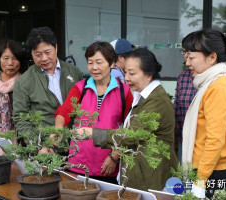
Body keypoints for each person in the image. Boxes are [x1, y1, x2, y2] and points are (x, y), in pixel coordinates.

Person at [76, 48, 178, 191]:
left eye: (132, 73)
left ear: (149, 75)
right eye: (125, 72)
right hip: (140, 173)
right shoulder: (142, 95)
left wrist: (93, 133)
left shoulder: (156, 101)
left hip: (151, 176)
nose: (127, 77)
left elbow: (131, 135)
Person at [54, 41, 133, 183]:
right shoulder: (80, 88)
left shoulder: (124, 92)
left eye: (99, 62)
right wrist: (59, 128)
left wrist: (115, 157)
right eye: (90, 62)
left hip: (108, 165)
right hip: (78, 163)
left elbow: (130, 128)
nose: (94, 67)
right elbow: (64, 112)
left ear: (112, 63)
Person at [181, 29, 226, 199]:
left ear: (212, 57)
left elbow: (215, 139)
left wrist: (200, 181)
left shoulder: (218, 87)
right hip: (206, 170)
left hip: (212, 172)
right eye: (186, 58)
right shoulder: (209, 82)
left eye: (191, 58)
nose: (187, 63)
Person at [174, 49, 226, 171]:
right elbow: (177, 112)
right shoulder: (184, 77)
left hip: (212, 162)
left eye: (191, 56)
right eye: (184, 53)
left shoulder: (220, 83)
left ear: (211, 57)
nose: (187, 60)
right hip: (189, 147)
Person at [13, 26, 83, 134]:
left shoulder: (74, 72)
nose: (44, 58)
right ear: (31, 53)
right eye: (38, 55)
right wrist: (39, 146)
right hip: (46, 144)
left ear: (56, 47)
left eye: (47, 52)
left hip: (75, 141)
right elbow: (21, 119)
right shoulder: (24, 81)